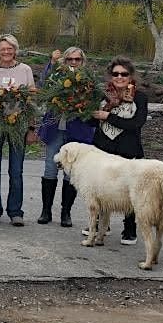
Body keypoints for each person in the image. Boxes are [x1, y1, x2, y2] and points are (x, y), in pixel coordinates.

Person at [90, 56, 149, 246]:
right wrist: (87, 112)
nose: (120, 77)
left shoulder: (139, 97)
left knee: (130, 191)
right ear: (110, 76)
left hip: (128, 150)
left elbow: (136, 124)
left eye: (124, 74)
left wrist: (108, 116)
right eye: (115, 74)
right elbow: (92, 122)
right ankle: (101, 225)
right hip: (103, 149)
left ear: (131, 76)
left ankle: (129, 229)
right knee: (101, 188)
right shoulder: (103, 96)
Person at [0, 33, 36, 226]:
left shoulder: (25, 69)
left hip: (18, 124)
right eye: (3, 48)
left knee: (16, 169)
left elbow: (31, 100)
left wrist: (31, 127)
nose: (6, 51)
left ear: (15, 50)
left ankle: (15, 211)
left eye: (9, 48)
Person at [37, 46, 94, 227]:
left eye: (77, 59)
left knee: (71, 173)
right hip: (55, 129)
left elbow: (93, 102)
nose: (74, 62)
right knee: (50, 169)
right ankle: (46, 211)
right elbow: (43, 85)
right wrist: (52, 63)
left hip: (77, 131)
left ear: (82, 61)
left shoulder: (87, 79)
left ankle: (66, 212)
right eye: (70, 59)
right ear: (65, 60)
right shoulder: (57, 75)